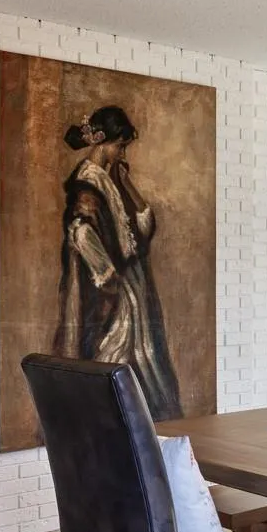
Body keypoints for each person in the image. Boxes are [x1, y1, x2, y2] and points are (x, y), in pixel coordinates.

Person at [53, 106, 182, 419]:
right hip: (116, 290)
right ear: (102, 141)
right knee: (116, 351)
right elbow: (80, 231)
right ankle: (112, 418)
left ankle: (135, 418)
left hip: (133, 286)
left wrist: (126, 183)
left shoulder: (108, 181)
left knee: (139, 355)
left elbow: (143, 228)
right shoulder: (88, 181)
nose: (122, 153)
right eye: (120, 146)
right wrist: (108, 276)